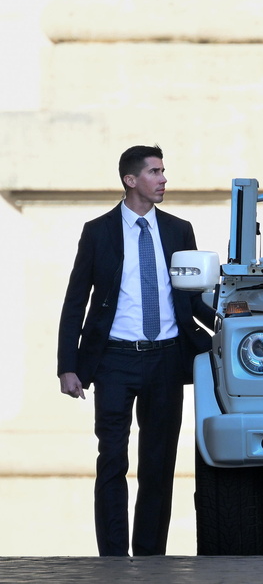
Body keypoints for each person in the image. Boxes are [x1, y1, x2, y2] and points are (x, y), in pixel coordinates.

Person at [57, 145, 214, 556]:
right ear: (131, 180)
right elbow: (76, 300)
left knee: (158, 466)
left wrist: (230, 324)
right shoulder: (98, 231)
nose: (164, 179)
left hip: (166, 358)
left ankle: (149, 559)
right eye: (155, 172)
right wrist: (67, 366)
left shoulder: (180, 229)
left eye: (164, 171)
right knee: (112, 459)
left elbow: (194, 298)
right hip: (113, 359)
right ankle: (112, 557)